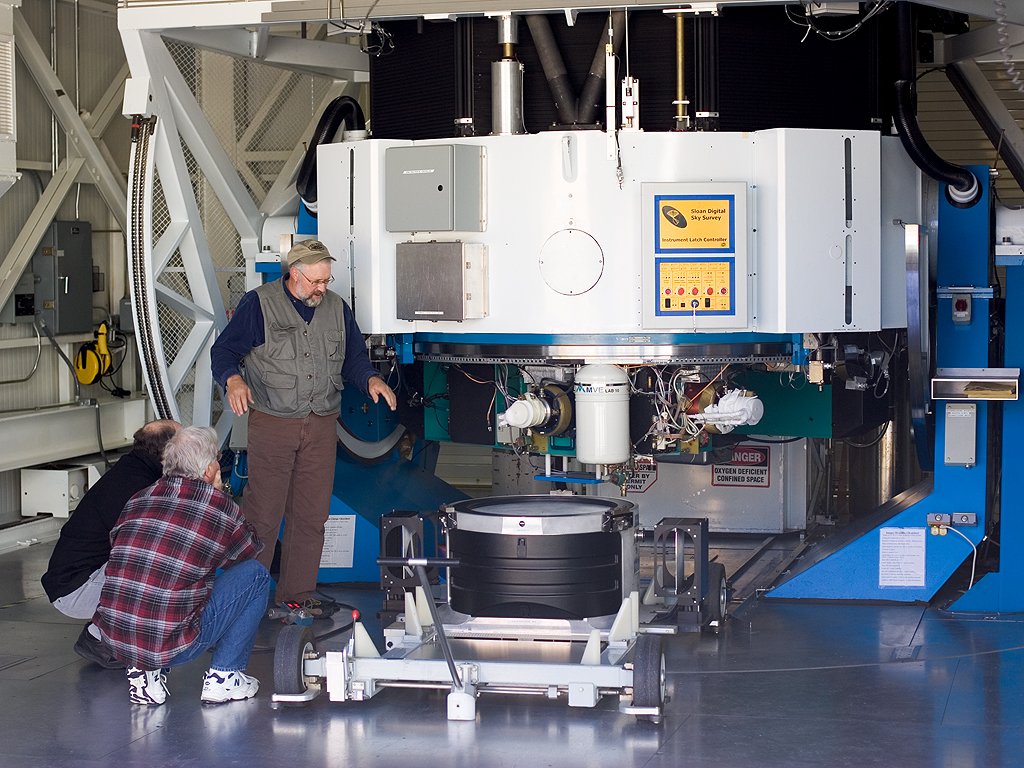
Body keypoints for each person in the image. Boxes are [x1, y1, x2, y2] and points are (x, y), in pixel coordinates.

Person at [210, 238, 396, 616]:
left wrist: (371, 380)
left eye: (326, 281)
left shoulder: (336, 309)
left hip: (322, 424)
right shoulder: (258, 304)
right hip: (273, 422)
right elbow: (223, 351)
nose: (322, 289)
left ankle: (298, 593)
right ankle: (246, 598)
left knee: (312, 514)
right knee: (263, 514)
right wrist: (233, 381)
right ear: (294, 274)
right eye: (315, 282)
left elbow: (354, 359)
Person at [94, 425, 269, 706]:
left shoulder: (139, 498)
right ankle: (225, 676)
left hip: (115, 637)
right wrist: (220, 494)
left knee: (153, 579)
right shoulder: (218, 507)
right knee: (256, 576)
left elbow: (119, 547)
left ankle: (144, 672)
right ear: (211, 468)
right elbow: (248, 552)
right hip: (175, 644)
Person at [41, 419, 181, 668]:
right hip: (77, 590)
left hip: (77, 580)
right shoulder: (138, 487)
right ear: (168, 451)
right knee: (160, 563)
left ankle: (108, 629)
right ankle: (100, 638)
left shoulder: (134, 470)